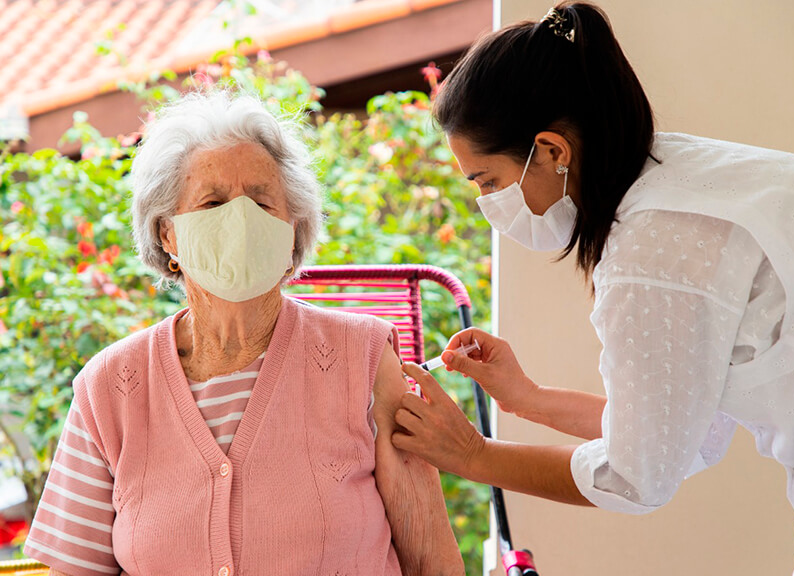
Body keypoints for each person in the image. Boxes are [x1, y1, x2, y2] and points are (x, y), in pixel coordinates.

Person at [391, 3, 794, 574]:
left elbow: (637, 475)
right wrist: (526, 398)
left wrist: (471, 455)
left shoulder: (653, 245)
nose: (489, 203)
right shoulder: (685, 173)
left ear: (552, 151)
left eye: (487, 181)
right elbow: (686, 431)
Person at [23, 91, 464, 576]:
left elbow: (433, 563)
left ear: (293, 226)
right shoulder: (109, 386)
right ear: (167, 234)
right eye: (213, 201)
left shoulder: (365, 361)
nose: (241, 221)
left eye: (261, 201)